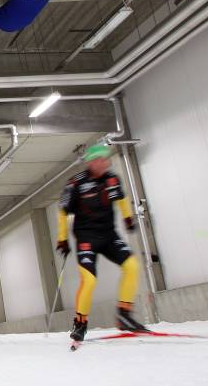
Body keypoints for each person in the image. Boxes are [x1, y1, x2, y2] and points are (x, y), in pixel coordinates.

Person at [57, 143, 147, 344]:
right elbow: (63, 212)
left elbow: (122, 200)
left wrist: (127, 218)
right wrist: (62, 238)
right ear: (91, 162)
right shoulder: (75, 183)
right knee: (89, 280)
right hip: (86, 238)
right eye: (100, 159)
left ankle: (124, 315)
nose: (105, 162)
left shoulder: (112, 179)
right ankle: (80, 324)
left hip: (109, 235)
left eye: (106, 159)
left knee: (132, 266)